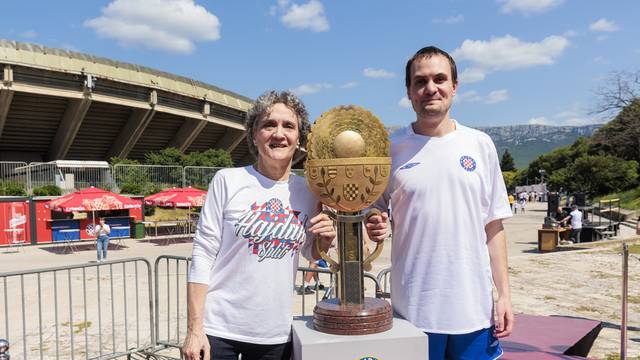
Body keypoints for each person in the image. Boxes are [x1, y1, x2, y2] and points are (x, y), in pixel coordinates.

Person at [370, 46, 514, 359]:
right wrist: (374, 222)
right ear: (409, 91)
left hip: (474, 310)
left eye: (440, 79)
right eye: (420, 81)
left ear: (454, 86)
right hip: (413, 310)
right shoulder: (390, 149)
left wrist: (504, 295)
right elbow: (374, 211)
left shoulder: (480, 144)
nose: (430, 88)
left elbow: (494, 226)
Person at [181, 90, 336, 360]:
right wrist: (195, 329)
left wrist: (324, 241)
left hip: (274, 332)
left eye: (288, 126)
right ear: (254, 135)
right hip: (219, 329)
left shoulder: (309, 192)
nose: (279, 133)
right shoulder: (227, 180)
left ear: (299, 139)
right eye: (268, 125)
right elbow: (203, 255)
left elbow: (310, 253)